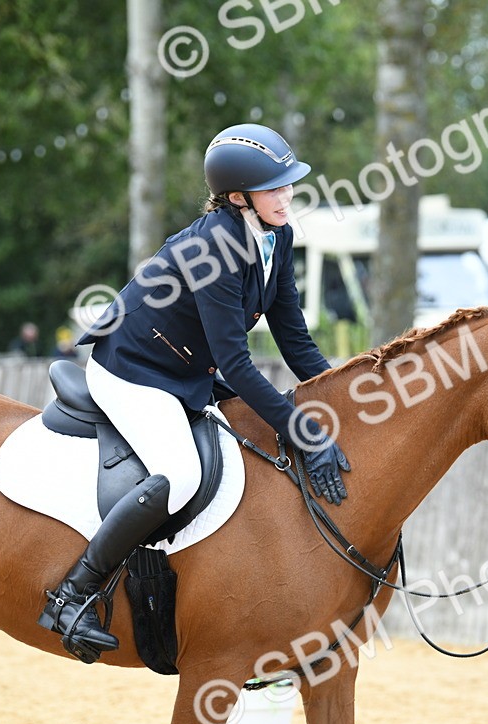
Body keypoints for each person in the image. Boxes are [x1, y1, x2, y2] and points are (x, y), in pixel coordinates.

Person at [39, 124, 351, 664]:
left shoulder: (277, 235)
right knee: (180, 473)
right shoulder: (214, 247)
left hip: (189, 368)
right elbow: (237, 362)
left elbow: (293, 337)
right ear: (237, 197)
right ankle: (71, 594)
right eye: (275, 188)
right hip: (134, 371)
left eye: (288, 185)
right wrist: (302, 431)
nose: (288, 196)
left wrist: (346, 401)